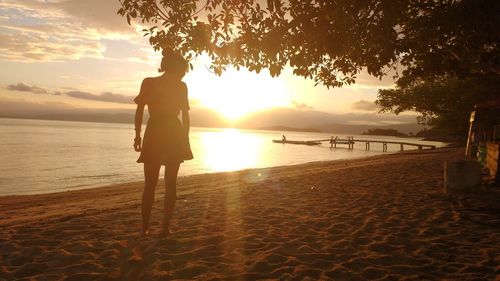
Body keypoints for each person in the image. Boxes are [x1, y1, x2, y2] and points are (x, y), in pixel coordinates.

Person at [133, 47, 193, 237]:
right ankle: (147, 227)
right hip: (161, 130)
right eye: (183, 70)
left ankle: (161, 227)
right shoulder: (150, 83)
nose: (184, 74)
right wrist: (137, 135)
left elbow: (185, 115)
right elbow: (140, 109)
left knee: (167, 184)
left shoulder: (180, 86)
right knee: (153, 183)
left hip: (167, 131)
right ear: (176, 68)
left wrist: (186, 138)